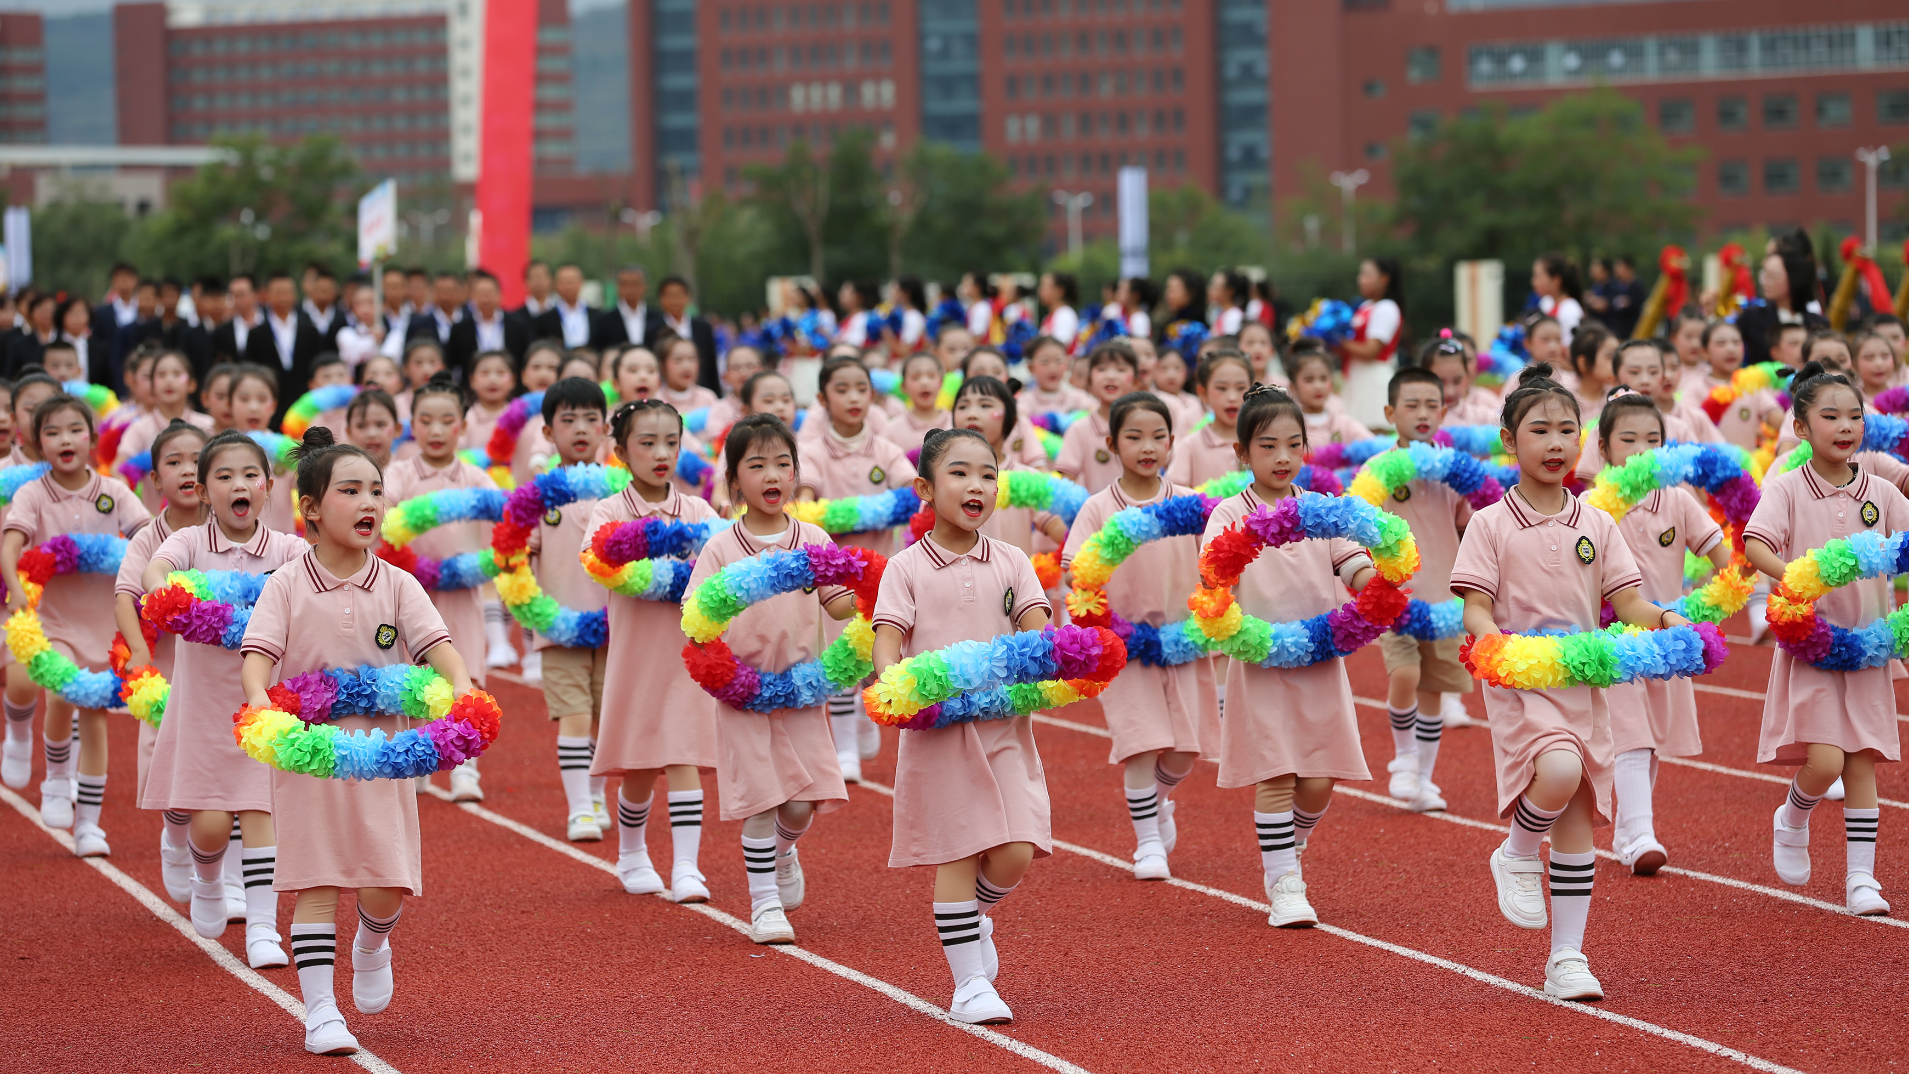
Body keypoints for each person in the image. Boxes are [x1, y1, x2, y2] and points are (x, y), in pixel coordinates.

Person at [1450, 363, 1684, 1001]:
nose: (1556, 444)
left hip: (1583, 681)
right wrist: (1488, 639)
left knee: (1579, 813)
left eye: (1566, 431)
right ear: (1508, 440)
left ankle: (1567, 958)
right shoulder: (1490, 524)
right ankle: (1518, 850)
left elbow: (1628, 601)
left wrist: (1663, 619)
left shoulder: (1597, 524)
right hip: (1521, 681)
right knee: (1556, 772)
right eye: (1539, 431)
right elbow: (1474, 604)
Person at [238, 426, 472, 1057]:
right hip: (308, 756)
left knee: (385, 882)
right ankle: (320, 1012)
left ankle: (372, 941)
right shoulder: (286, 582)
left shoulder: (397, 584)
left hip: (383, 757)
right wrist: (260, 697)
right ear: (310, 508)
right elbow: (258, 656)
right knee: (316, 879)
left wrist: (464, 689)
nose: (369, 502)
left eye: (375, 490)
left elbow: (440, 651)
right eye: (350, 490)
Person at [871, 426, 1054, 1024]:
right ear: (925, 487)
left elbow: (1035, 626)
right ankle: (968, 984)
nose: (976, 485)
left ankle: (974, 917)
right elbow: (888, 640)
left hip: (1003, 724)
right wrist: (894, 686)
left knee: (1015, 853)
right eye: (959, 473)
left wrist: (1052, 660)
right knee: (957, 849)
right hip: (941, 732)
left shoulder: (1012, 559)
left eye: (987, 474)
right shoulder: (905, 567)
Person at [1202, 384, 1380, 928]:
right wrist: (1223, 609)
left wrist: (1375, 586)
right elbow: (1213, 581)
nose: (1282, 457)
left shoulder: (1321, 511)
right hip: (1259, 662)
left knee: (1320, 777)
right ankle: (1283, 882)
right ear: (1242, 454)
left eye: (1293, 445)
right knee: (1276, 772)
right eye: (1268, 446)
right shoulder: (1228, 514)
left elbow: (1353, 564)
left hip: (1320, 660)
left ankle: (1289, 849)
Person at [686, 414, 855, 944]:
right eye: (756, 465)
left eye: (782, 462)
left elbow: (840, 600)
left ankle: (784, 852)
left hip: (804, 689)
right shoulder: (720, 548)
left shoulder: (814, 538)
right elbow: (696, 614)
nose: (772, 474)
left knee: (801, 803)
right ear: (735, 480)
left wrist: (870, 602)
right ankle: (764, 907)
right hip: (744, 695)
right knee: (761, 799)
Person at [140, 428, 306, 966]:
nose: (240, 485)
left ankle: (263, 927)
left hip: (262, 702)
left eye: (250, 475)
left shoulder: (287, 549)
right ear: (204, 490)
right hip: (204, 706)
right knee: (209, 823)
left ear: (268, 486)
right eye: (225, 476)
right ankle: (208, 879)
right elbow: (156, 570)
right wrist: (169, 590)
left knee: (262, 810)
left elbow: (315, 582)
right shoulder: (189, 543)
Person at [1743, 361, 1901, 917]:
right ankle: (1794, 814)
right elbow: (1756, 545)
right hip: (1811, 645)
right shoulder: (1787, 487)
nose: (1845, 425)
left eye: (1854, 416)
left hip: (1869, 648)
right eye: (1829, 416)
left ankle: (1862, 878)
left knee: (1863, 762)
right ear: (1801, 427)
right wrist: (1791, 575)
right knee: (1828, 760)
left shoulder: (1880, 490)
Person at [1063, 393, 1217, 881]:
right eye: (1134, 437)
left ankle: (1160, 799)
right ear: (1111, 444)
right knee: (1140, 743)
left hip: (1186, 640)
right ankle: (1147, 840)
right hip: (1125, 646)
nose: (1147, 446)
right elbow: (1075, 570)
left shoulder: (1190, 504)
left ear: (1172, 442)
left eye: (1157, 437)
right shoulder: (1097, 508)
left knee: (1183, 751)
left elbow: (1215, 564)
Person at [1, 393, 152, 855]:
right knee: (60, 691)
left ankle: (89, 823)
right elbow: (11, 546)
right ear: (36, 441)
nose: (64, 439)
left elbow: (146, 538)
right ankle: (55, 779)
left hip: (105, 623)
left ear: (90, 437)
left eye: (73, 430)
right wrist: (15, 586)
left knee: (95, 719)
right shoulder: (32, 494)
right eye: (52, 432)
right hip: (54, 621)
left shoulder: (114, 492)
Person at [584, 398, 721, 902]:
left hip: (686, 652)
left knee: (683, 751)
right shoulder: (609, 511)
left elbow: (719, 569)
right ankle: (632, 852)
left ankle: (687, 866)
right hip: (638, 652)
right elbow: (601, 560)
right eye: (647, 443)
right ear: (620, 451)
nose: (661, 453)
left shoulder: (700, 511)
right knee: (640, 764)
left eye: (671, 442)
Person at [1591, 391, 1732, 876]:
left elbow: (1722, 555)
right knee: (1631, 737)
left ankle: (1629, 832)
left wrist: (1719, 598)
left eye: (1653, 438)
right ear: (1604, 447)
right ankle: (1643, 833)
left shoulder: (1676, 498)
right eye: (1627, 438)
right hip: (1616, 642)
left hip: (1669, 639)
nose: (1641, 447)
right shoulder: (1593, 507)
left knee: (1654, 742)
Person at [796, 356, 916, 782]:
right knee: (843, 656)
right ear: (822, 398)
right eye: (842, 389)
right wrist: (833, 515)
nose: (852, 398)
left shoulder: (884, 450)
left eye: (861, 389)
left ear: (872, 395)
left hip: (884, 571)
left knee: (879, 650)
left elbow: (910, 491)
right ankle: (844, 745)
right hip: (838, 576)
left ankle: (867, 718)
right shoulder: (810, 451)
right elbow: (806, 504)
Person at [383, 374, 499, 803]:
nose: (435, 430)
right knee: (411, 674)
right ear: (411, 424)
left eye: (446, 420)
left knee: (463, 671)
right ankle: (418, 760)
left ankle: (466, 768)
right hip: (409, 594)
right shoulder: (398, 474)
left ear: (462, 425)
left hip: (461, 593)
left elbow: (505, 517)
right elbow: (383, 513)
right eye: (425, 420)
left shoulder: (474, 476)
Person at [113, 419, 212, 902]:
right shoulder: (148, 540)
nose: (187, 471)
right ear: (155, 480)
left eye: (197, 461)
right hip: (169, 663)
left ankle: (225, 878)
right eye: (174, 463)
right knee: (169, 762)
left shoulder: (232, 532)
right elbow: (125, 597)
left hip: (219, 666)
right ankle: (174, 836)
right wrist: (137, 651)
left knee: (228, 764)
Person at [1376, 368, 1474, 813]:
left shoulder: (1454, 471)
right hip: (1396, 598)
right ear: (1390, 413)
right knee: (1406, 674)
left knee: (1435, 688)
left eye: (1430, 405)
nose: (1422, 413)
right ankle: (1404, 758)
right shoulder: (1376, 471)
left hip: (1445, 600)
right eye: (1410, 405)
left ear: (1444, 411)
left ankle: (1424, 777)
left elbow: (1468, 525)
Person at [527, 378, 615, 839]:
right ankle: (580, 808)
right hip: (560, 628)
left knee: (606, 718)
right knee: (575, 715)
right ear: (547, 432)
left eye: (589, 419)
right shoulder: (540, 495)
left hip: (615, 627)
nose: (579, 429)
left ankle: (597, 796)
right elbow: (516, 554)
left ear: (604, 428)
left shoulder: (620, 492)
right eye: (567, 420)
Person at [114, 349, 215, 514]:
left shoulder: (208, 425)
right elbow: (118, 466)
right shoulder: (139, 427)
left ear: (191, 384)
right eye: (161, 375)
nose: (169, 381)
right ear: (152, 387)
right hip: (152, 518)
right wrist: (123, 481)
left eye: (177, 374)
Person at [1056, 342, 1140, 493]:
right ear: (1089, 381)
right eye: (1101, 369)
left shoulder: (1145, 425)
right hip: (1094, 515)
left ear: (1135, 382)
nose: (1110, 376)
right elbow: (1066, 486)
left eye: (1121, 369)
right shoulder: (1079, 429)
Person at [243, 273, 325, 423]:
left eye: (287, 292)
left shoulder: (309, 330)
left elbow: (317, 366)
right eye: (278, 292)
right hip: (270, 406)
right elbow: (251, 368)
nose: (283, 297)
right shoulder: (256, 333)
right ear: (267, 295)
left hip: (305, 406)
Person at [1168, 350, 1251, 487]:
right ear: (1203, 392)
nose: (1232, 397)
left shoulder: (1259, 441)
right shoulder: (1191, 445)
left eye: (1241, 388)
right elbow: (1176, 493)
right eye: (1221, 388)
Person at [1737, 243, 1828, 368]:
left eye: (1773, 275)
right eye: (1764, 274)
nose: (1765, 281)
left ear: (1794, 278)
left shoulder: (1819, 323)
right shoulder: (1751, 318)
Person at [1340, 257, 1404, 428]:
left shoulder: (1387, 308)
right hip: (1357, 377)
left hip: (1374, 381)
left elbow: (1371, 351)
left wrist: (1338, 340)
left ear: (1384, 279)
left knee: (1374, 433)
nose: (1360, 279)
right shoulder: (1365, 306)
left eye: (1367, 274)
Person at [1287, 346, 1371, 446]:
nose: (1318, 386)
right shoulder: (1288, 425)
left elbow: (1373, 446)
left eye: (1323, 379)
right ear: (1293, 387)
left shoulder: (1343, 423)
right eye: (1309, 380)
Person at [655, 275, 720, 390]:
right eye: (669, 295)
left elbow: (711, 365)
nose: (674, 300)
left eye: (679, 295)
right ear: (661, 299)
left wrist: (715, 392)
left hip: (700, 389)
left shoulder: (703, 328)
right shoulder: (653, 329)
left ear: (688, 298)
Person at [1019, 334, 1095, 416]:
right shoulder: (1025, 401)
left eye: (1058, 361)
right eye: (1044, 362)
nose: (1053, 368)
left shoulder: (1078, 397)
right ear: (1030, 368)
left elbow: (1096, 413)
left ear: (1067, 364)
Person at [592, 266, 662, 351]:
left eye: (635, 284)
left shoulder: (657, 319)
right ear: (617, 287)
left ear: (645, 286)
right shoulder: (604, 321)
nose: (630, 289)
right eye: (625, 284)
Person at [657, 332, 718, 414]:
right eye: (678, 360)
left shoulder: (708, 398)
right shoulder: (656, 401)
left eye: (692, 359)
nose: (687, 366)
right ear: (662, 366)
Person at [1531, 254, 1587, 344]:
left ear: (1556, 281)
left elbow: (1571, 347)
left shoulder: (1570, 310)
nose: (1534, 282)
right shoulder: (1546, 302)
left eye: (1538, 276)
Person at [1036, 272, 1080, 350]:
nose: (1040, 290)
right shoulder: (1049, 317)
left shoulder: (1065, 314)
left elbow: (1059, 347)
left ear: (1060, 291)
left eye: (1044, 286)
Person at [1208, 270, 1248, 337]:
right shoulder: (1222, 312)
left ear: (1229, 291)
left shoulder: (1235, 316)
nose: (1210, 289)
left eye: (1215, 286)